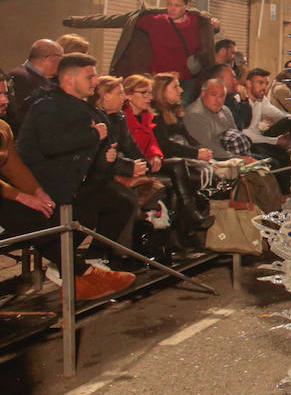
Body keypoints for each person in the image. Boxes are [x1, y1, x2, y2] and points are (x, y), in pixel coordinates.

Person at [15, 54, 139, 296]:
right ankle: (67, 269)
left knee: (120, 202)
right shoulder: (48, 106)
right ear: (70, 79)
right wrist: (94, 136)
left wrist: (107, 159)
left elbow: (93, 153)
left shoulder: (82, 107)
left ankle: (90, 263)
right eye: (89, 76)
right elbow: (51, 145)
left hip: (75, 183)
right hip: (43, 184)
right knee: (85, 212)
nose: (95, 81)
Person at [122, 72, 212, 242]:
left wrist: (155, 155)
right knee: (179, 169)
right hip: (134, 164)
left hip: (151, 162)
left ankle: (186, 223)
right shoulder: (124, 118)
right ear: (129, 95)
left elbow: (154, 143)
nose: (149, 97)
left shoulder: (146, 115)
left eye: (150, 92)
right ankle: (189, 217)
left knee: (179, 170)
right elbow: (130, 146)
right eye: (144, 93)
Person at [61, 0, 216, 82]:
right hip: (157, 81)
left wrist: (214, 26)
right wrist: (75, 22)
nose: (172, 9)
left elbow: (206, 39)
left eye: (177, 5)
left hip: (187, 80)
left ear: (187, 5)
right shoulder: (153, 20)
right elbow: (111, 20)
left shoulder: (198, 21)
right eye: (169, 4)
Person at [0, 74, 65, 285]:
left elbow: (14, 168)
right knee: (23, 213)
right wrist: (20, 196)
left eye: (5, 93)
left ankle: (72, 270)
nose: (5, 100)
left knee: (46, 210)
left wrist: (37, 192)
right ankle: (77, 271)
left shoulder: (3, 127)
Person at [184, 79, 252, 161]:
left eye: (222, 96)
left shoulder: (225, 110)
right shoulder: (194, 114)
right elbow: (206, 148)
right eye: (214, 95)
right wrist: (240, 159)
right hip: (214, 159)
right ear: (203, 94)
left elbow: (236, 134)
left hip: (233, 153)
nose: (218, 100)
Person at [7, 39, 62, 133]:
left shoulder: (46, 79)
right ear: (50, 57)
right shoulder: (20, 77)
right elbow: (19, 114)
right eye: (61, 57)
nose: (62, 62)